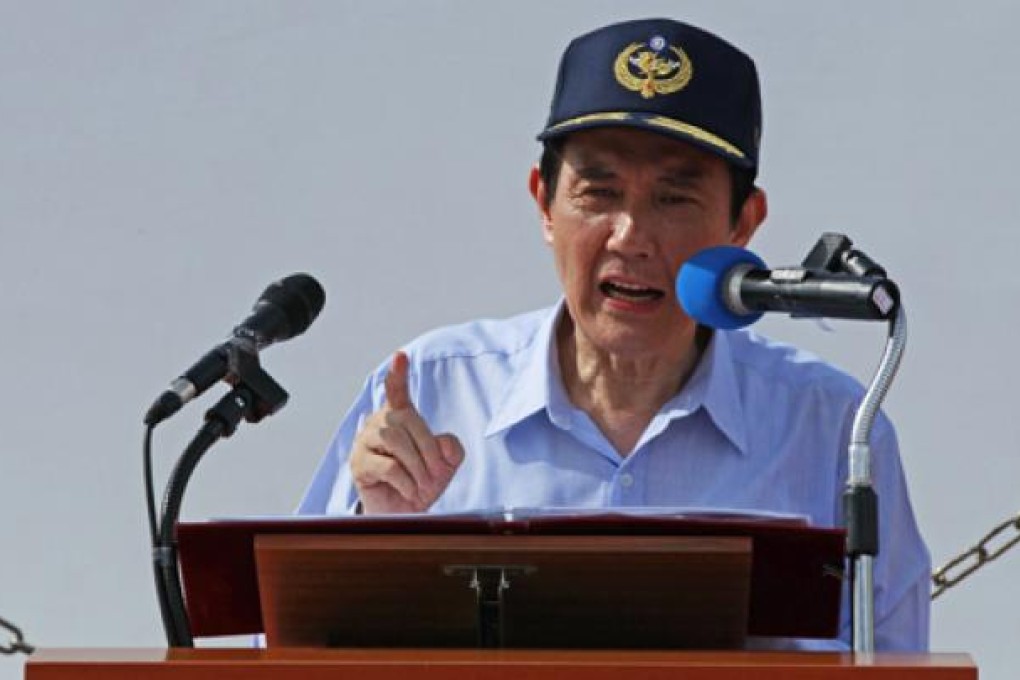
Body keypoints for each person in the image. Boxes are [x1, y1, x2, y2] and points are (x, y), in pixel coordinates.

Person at [298, 18, 930, 651]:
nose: (630, 236)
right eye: (599, 193)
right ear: (544, 202)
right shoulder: (434, 389)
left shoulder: (833, 428)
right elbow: (281, 650)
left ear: (743, 222)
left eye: (673, 199)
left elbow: (898, 657)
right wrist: (373, 534)